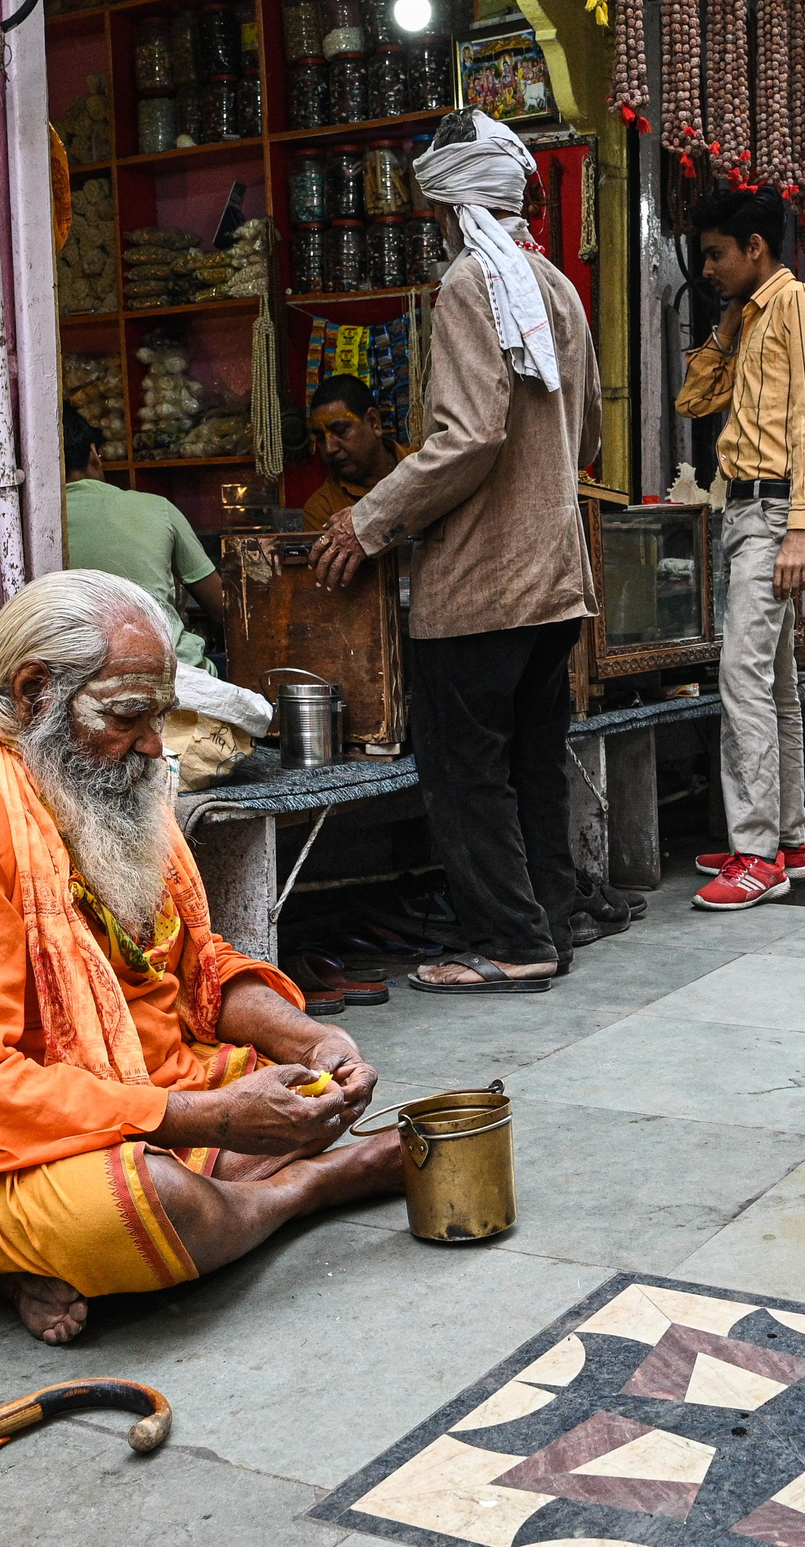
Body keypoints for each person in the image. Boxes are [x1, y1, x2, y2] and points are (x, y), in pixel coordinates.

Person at [0, 571, 402, 1344]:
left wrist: (311, 1043)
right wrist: (207, 1118)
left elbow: (194, 967)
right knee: (142, 1199)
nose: (152, 744)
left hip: (101, 1096)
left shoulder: (116, 786)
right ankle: (308, 1191)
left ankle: (54, 1252)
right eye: (128, 715)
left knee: (301, 1100)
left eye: (160, 715)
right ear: (34, 692)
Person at [308, 108, 602, 994]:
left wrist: (368, 519)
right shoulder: (555, 287)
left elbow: (469, 436)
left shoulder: (474, 285)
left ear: (451, 211)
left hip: (481, 587)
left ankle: (510, 941)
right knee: (530, 766)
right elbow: (583, 438)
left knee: (467, 771)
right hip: (554, 583)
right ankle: (546, 923)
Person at [674, 186, 805, 911]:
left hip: (774, 513)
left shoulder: (797, 306)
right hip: (750, 514)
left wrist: (800, 529)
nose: (707, 267)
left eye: (716, 254)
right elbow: (692, 401)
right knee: (772, 682)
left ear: (755, 248)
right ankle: (789, 840)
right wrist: (726, 325)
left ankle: (754, 853)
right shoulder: (752, 316)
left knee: (740, 676)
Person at [61, 412, 229, 672]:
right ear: (94, 455)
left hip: (79, 674)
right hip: (172, 671)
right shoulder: (157, 508)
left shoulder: (33, 523)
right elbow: (222, 608)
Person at [299, 373, 409, 531]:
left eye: (341, 431)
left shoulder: (427, 465)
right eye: (321, 438)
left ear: (373, 422)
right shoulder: (322, 509)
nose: (330, 448)